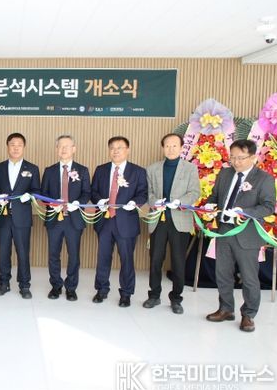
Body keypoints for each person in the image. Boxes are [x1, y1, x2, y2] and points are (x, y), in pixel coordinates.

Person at [205, 139, 275, 332]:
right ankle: (226, 309)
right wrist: (210, 206)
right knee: (222, 273)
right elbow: (215, 196)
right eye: (233, 157)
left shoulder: (264, 178)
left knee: (249, 277)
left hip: (247, 234)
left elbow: (268, 207)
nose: (236, 162)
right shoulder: (225, 173)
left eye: (241, 158)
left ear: (253, 157)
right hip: (224, 231)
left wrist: (244, 212)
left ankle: (249, 314)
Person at [143, 133, 200, 314]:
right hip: (158, 220)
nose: (171, 149)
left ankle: (176, 298)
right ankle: (154, 295)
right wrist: (155, 202)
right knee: (155, 259)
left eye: (175, 145)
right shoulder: (152, 169)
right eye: (167, 145)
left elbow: (195, 192)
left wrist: (180, 202)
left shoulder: (190, 169)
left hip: (180, 220)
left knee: (178, 261)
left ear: (182, 148)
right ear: (163, 148)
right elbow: (148, 193)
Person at [91, 136, 148, 307]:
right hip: (105, 221)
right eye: (112, 148)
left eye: (120, 147)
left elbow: (143, 193)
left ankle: (126, 293)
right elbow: (93, 191)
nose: (115, 151)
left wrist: (134, 203)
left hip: (126, 222)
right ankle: (101, 289)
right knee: (103, 257)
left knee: (127, 259)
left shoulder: (137, 171)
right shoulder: (101, 170)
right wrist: (100, 201)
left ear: (127, 150)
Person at [0, 133, 40, 298]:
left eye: (19, 145)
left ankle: (24, 285)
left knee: (23, 253)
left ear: (24, 147)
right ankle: (4, 283)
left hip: (22, 218)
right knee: (3, 252)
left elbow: (36, 190)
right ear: (7, 147)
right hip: (3, 216)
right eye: (12, 144)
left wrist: (29, 196)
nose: (16, 148)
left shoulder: (32, 168)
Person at [40, 135, 91, 301]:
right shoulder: (49, 170)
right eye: (60, 146)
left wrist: (77, 203)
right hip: (54, 218)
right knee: (53, 255)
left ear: (74, 149)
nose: (64, 149)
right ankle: (56, 286)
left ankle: (71, 287)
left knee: (73, 255)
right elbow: (43, 194)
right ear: (56, 149)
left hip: (73, 219)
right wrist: (51, 203)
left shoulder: (82, 170)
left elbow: (87, 193)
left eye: (67, 146)